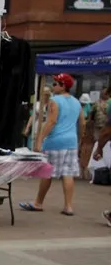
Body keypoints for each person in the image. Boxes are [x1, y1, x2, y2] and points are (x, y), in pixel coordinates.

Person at [20, 72, 84, 216]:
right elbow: (82, 122)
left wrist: (40, 139)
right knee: (68, 173)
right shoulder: (76, 102)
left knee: (47, 173)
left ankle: (38, 202)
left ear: (63, 86)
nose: (53, 86)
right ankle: (68, 206)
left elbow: (51, 121)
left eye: (55, 84)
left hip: (56, 141)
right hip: (71, 141)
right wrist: (79, 137)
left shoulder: (55, 101)